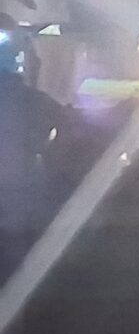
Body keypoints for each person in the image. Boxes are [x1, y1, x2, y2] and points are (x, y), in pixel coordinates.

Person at [0, 29, 67, 282]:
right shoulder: (31, 99)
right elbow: (63, 125)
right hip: (21, 203)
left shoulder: (29, 99)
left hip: (20, 202)